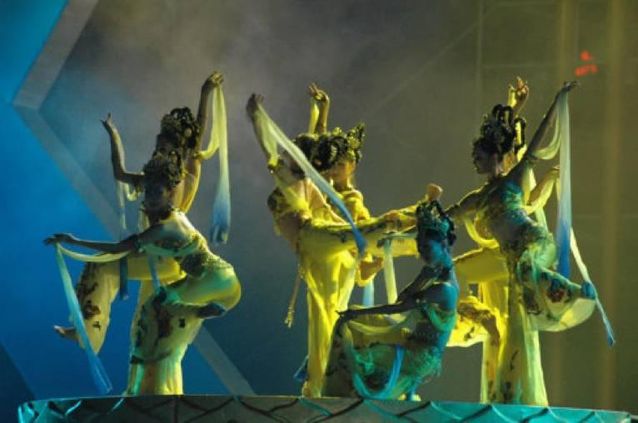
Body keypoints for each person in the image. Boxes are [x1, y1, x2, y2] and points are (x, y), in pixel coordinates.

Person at [247, 93, 413, 397]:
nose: (286, 155)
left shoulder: (307, 185)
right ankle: (324, 377)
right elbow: (269, 147)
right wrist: (257, 117)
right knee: (325, 315)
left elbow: (332, 216)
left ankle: (401, 223)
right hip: (318, 253)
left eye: (294, 152)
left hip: (317, 240)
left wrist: (357, 240)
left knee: (359, 238)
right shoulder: (289, 178)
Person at [445, 81, 596, 405]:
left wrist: (556, 102)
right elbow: (450, 216)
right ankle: (509, 390)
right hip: (511, 259)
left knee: (526, 269)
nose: (474, 161)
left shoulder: (513, 179)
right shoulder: (477, 197)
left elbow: (538, 138)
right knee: (509, 315)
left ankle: (572, 293)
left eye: (479, 156)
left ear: (496, 156)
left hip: (536, 244)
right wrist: (416, 222)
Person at [46, 154, 240, 394]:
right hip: (205, 278)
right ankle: (146, 387)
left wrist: (74, 241)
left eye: (157, 192)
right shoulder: (165, 216)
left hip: (217, 280)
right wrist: (113, 139)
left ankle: (162, 384)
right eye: (148, 192)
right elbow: (122, 175)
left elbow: (119, 248)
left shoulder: (167, 226)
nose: (150, 197)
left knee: (157, 311)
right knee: (152, 317)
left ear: (170, 193)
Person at [321, 199, 458, 400]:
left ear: (443, 244)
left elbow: (399, 307)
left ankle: (354, 394)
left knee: (363, 351)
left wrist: (357, 313)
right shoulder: (434, 274)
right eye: (420, 248)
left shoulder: (444, 288)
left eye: (427, 247)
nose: (422, 253)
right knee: (358, 323)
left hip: (420, 356)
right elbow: (402, 298)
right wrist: (421, 278)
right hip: (410, 340)